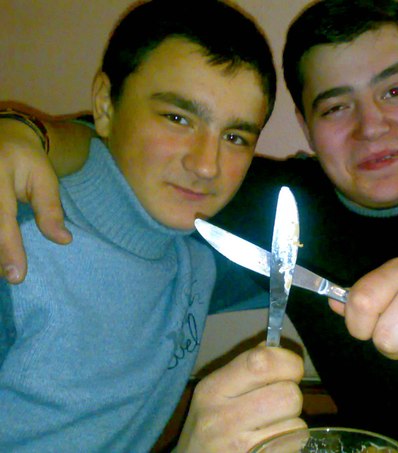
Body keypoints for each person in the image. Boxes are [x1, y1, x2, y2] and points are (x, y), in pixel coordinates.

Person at [3, 0, 398, 450]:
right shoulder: (269, 205)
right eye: (336, 106)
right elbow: (121, 153)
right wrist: (21, 130)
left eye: (395, 90)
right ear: (305, 125)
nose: (372, 127)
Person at [0, 1, 310, 451]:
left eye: (235, 137)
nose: (206, 165)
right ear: (105, 105)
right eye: (177, 118)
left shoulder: (198, 258)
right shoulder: (14, 239)